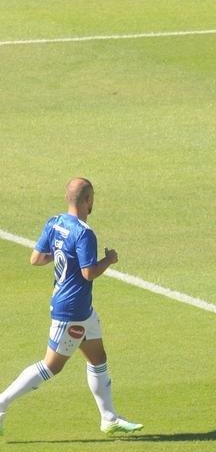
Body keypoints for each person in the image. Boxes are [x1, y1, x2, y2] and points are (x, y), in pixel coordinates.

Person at [0, 178, 142, 437]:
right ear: (88, 200)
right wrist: (108, 260)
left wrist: (62, 250)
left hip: (81, 309)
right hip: (72, 310)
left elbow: (36, 259)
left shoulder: (54, 222)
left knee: (98, 358)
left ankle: (108, 417)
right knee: (51, 366)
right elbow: (89, 273)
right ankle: (1, 403)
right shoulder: (85, 233)